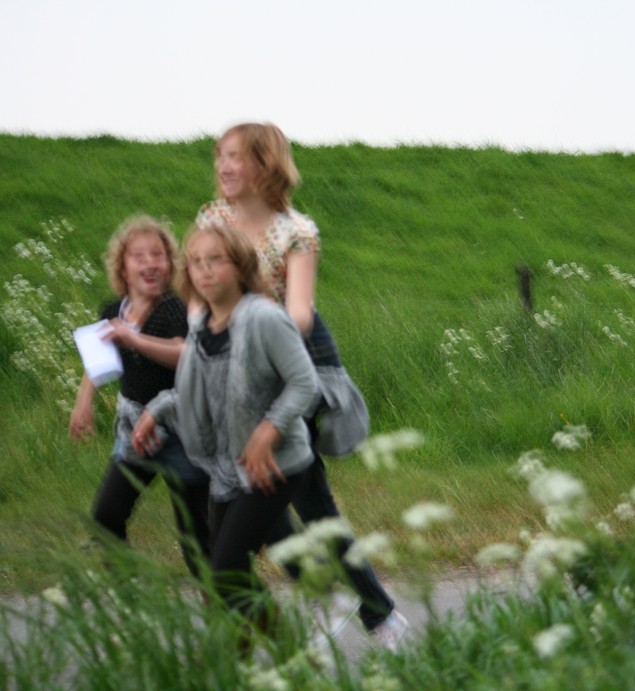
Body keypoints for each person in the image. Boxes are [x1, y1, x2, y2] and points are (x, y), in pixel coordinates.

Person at [195, 122, 409, 650]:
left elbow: (300, 314)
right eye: (219, 156)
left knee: (298, 496)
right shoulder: (212, 220)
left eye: (235, 156)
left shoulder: (296, 231)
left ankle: (363, 609)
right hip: (237, 368)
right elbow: (199, 301)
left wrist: (241, 330)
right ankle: (364, 609)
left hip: (295, 362)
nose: (223, 166)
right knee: (273, 491)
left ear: (265, 164)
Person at [133, 223, 318, 648]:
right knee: (220, 572)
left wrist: (268, 431)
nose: (204, 270)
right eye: (196, 262)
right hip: (228, 466)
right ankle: (236, 652)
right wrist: (156, 411)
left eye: (215, 260)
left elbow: (304, 382)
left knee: (225, 568)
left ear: (240, 265)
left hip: (276, 463)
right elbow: (198, 391)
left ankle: (291, 654)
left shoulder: (265, 319)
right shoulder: (202, 327)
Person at [68, 215, 210, 577]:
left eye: (158, 255)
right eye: (139, 256)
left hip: (182, 430)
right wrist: (83, 402)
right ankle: (128, 592)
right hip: (135, 428)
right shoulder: (113, 311)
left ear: (170, 264)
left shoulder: (174, 308)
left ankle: (226, 605)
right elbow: (99, 361)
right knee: (106, 516)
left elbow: (184, 352)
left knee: (197, 539)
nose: (150, 263)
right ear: (123, 268)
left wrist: (134, 339)